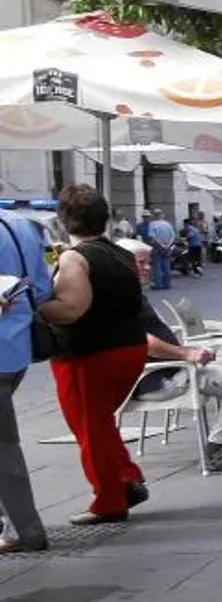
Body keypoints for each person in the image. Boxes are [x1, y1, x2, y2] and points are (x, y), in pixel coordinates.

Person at [35, 186, 150, 525]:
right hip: (129, 346)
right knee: (99, 422)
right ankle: (126, 477)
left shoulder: (75, 257)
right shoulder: (122, 254)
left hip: (89, 354)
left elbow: (71, 309)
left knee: (89, 427)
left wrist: (33, 306)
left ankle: (109, 499)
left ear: (64, 220)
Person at [128, 286, 222, 473]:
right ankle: (217, 448)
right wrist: (187, 354)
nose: (147, 267)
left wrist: (193, 352)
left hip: (168, 369)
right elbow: (145, 342)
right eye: (141, 263)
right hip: (163, 376)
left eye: (147, 261)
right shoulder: (123, 298)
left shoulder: (125, 295)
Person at [0, 204, 51, 554]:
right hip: (16, 348)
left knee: (3, 447)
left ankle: (25, 529)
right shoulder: (20, 225)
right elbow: (42, 289)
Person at [146, 211, 176, 290]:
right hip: (167, 247)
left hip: (157, 247)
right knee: (166, 265)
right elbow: (173, 236)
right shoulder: (168, 224)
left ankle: (158, 284)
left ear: (154, 216)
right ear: (162, 215)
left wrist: (161, 245)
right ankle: (167, 284)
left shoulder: (152, 224)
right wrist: (168, 245)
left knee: (157, 265)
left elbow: (153, 237)